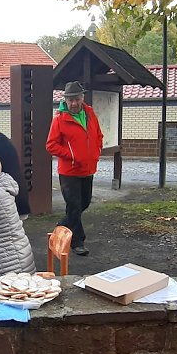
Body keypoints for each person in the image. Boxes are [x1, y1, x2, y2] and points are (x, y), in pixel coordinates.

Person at [45, 81, 103, 257]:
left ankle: (61, 226)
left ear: (82, 98)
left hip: (87, 169)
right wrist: (71, 155)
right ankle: (78, 242)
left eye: (76, 99)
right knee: (75, 206)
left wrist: (96, 151)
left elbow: (98, 135)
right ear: (65, 100)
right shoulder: (60, 119)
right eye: (70, 100)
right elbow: (50, 145)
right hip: (69, 172)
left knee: (84, 203)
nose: (74, 103)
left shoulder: (90, 113)